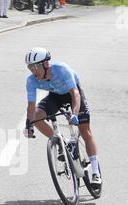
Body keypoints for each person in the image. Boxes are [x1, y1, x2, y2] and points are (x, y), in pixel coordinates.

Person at [23, 47, 102, 187]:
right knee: (36, 117)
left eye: (35, 67)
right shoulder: (31, 80)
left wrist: (75, 114)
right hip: (55, 97)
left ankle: (95, 172)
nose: (33, 71)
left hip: (72, 94)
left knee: (85, 131)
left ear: (46, 64)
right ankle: (62, 142)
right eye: (30, 68)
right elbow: (31, 106)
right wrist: (28, 125)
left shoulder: (61, 69)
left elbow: (75, 94)